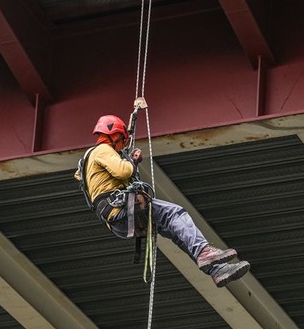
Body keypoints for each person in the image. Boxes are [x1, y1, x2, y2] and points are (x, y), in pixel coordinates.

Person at [75, 110, 251, 288]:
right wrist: (131, 161)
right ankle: (205, 252)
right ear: (114, 134)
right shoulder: (103, 149)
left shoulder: (87, 161)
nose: (121, 146)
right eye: (121, 139)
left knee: (176, 232)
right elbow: (124, 171)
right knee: (175, 214)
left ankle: (217, 270)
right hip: (123, 210)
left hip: (117, 220)